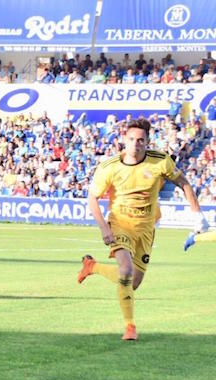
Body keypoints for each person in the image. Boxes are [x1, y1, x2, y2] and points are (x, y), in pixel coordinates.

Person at [77, 118, 208, 340]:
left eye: (140, 140)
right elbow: (92, 198)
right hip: (120, 223)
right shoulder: (109, 167)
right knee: (126, 271)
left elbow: (184, 183)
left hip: (146, 228)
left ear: (147, 142)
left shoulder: (160, 162)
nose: (135, 144)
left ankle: (93, 267)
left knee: (133, 283)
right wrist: (103, 228)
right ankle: (130, 327)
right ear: (123, 140)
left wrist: (198, 216)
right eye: (131, 139)